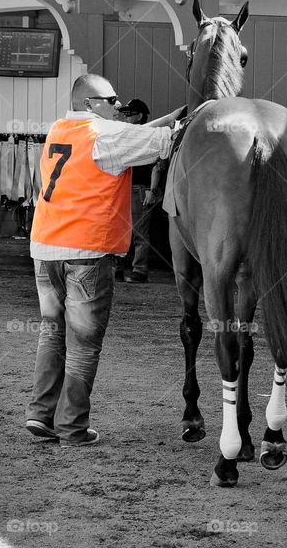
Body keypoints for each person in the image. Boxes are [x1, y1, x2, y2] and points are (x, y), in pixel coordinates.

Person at [26, 74, 180, 446]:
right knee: (84, 344)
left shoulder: (61, 128)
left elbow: (128, 134)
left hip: (46, 246)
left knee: (52, 334)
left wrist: (169, 116)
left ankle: (41, 414)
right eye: (112, 100)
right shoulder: (105, 137)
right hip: (86, 252)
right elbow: (163, 142)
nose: (119, 105)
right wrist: (188, 119)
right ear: (90, 104)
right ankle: (72, 426)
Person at [115, 98, 157, 283]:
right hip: (127, 187)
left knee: (137, 233)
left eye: (129, 114)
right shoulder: (132, 134)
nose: (126, 117)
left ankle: (138, 270)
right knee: (122, 231)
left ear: (140, 116)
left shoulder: (148, 135)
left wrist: (150, 189)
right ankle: (124, 268)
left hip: (138, 188)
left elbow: (155, 163)